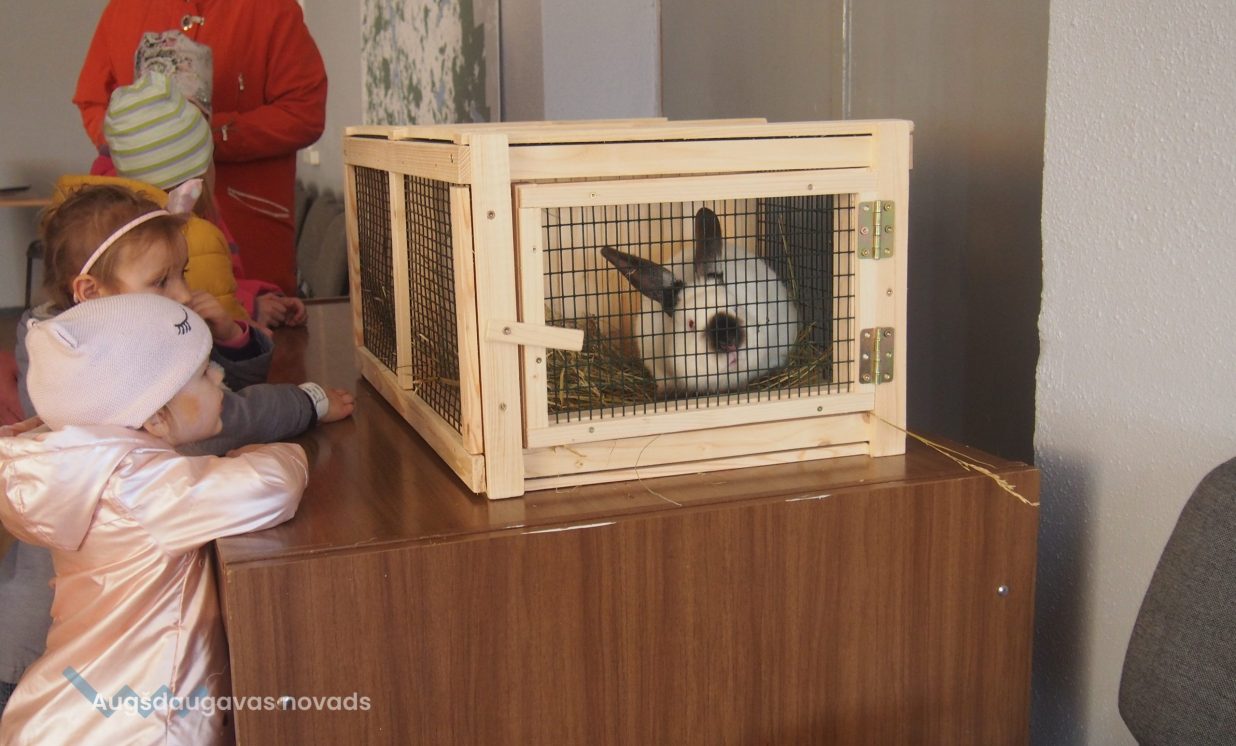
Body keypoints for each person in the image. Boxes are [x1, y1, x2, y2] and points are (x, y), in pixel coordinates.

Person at [0, 183, 354, 716]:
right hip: (52, 646)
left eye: (182, 274)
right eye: (161, 281)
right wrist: (306, 402)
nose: (184, 294)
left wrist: (230, 338)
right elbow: (220, 419)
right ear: (91, 291)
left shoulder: (83, 339)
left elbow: (206, 396)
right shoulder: (100, 374)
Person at [0, 293, 309, 744]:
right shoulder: (142, 490)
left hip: (71, 708)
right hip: (141, 726)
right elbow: (272, 486)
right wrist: (277, 452)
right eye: (203, 372)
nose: (220, 377)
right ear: (157, 417)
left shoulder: (88, 474)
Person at [74, 0, 328, 296]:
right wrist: (140, 149)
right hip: (141, 234)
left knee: (254, 314)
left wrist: (205, 135)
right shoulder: (122, 9)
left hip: (247, 231)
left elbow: (304, 113)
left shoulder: (273, 9)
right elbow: (92, 101)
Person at [87, 67, 306, 328]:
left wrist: (258, 296)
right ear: (200, 171)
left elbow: (221, 282)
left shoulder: (179, 215)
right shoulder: (187, 232)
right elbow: (205, 300)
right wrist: (252, 311)